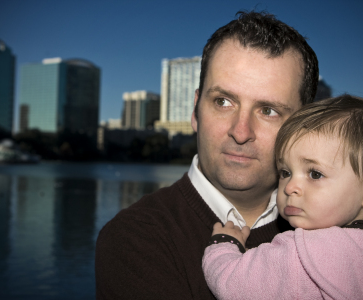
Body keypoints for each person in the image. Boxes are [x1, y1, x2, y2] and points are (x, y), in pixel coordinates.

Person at [95, 10, 318, 299]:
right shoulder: (135, 238)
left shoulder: (345, 228)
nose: (241, 131)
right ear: (196, 111)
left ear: (304, 127)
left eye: (268, 110)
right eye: (223, 102)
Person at [202, 95, 363, 300]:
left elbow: (232, 283)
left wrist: (225, 244)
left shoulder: (304, 256)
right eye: (285, 173)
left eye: (315, 174)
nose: (290, 187)